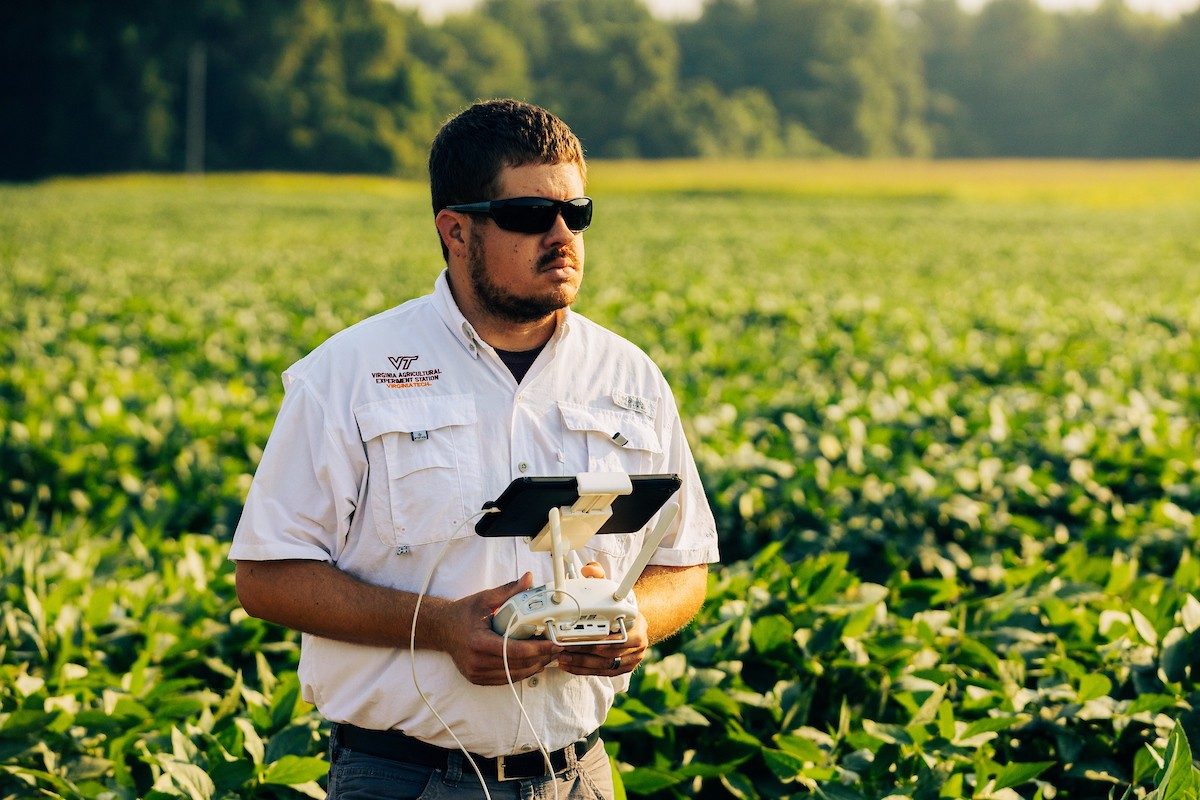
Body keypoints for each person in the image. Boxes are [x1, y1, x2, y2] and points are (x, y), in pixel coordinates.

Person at [230, 98, 719, 800]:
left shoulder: (629, 377)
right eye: (528, 216)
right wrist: (437, 629)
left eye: (576, 214)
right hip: (405, 778)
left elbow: (683, 565)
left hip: (577, 776)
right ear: (455, 231)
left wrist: (636, 620)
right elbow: (266, 576)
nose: (561, 237)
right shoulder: (351, 373)